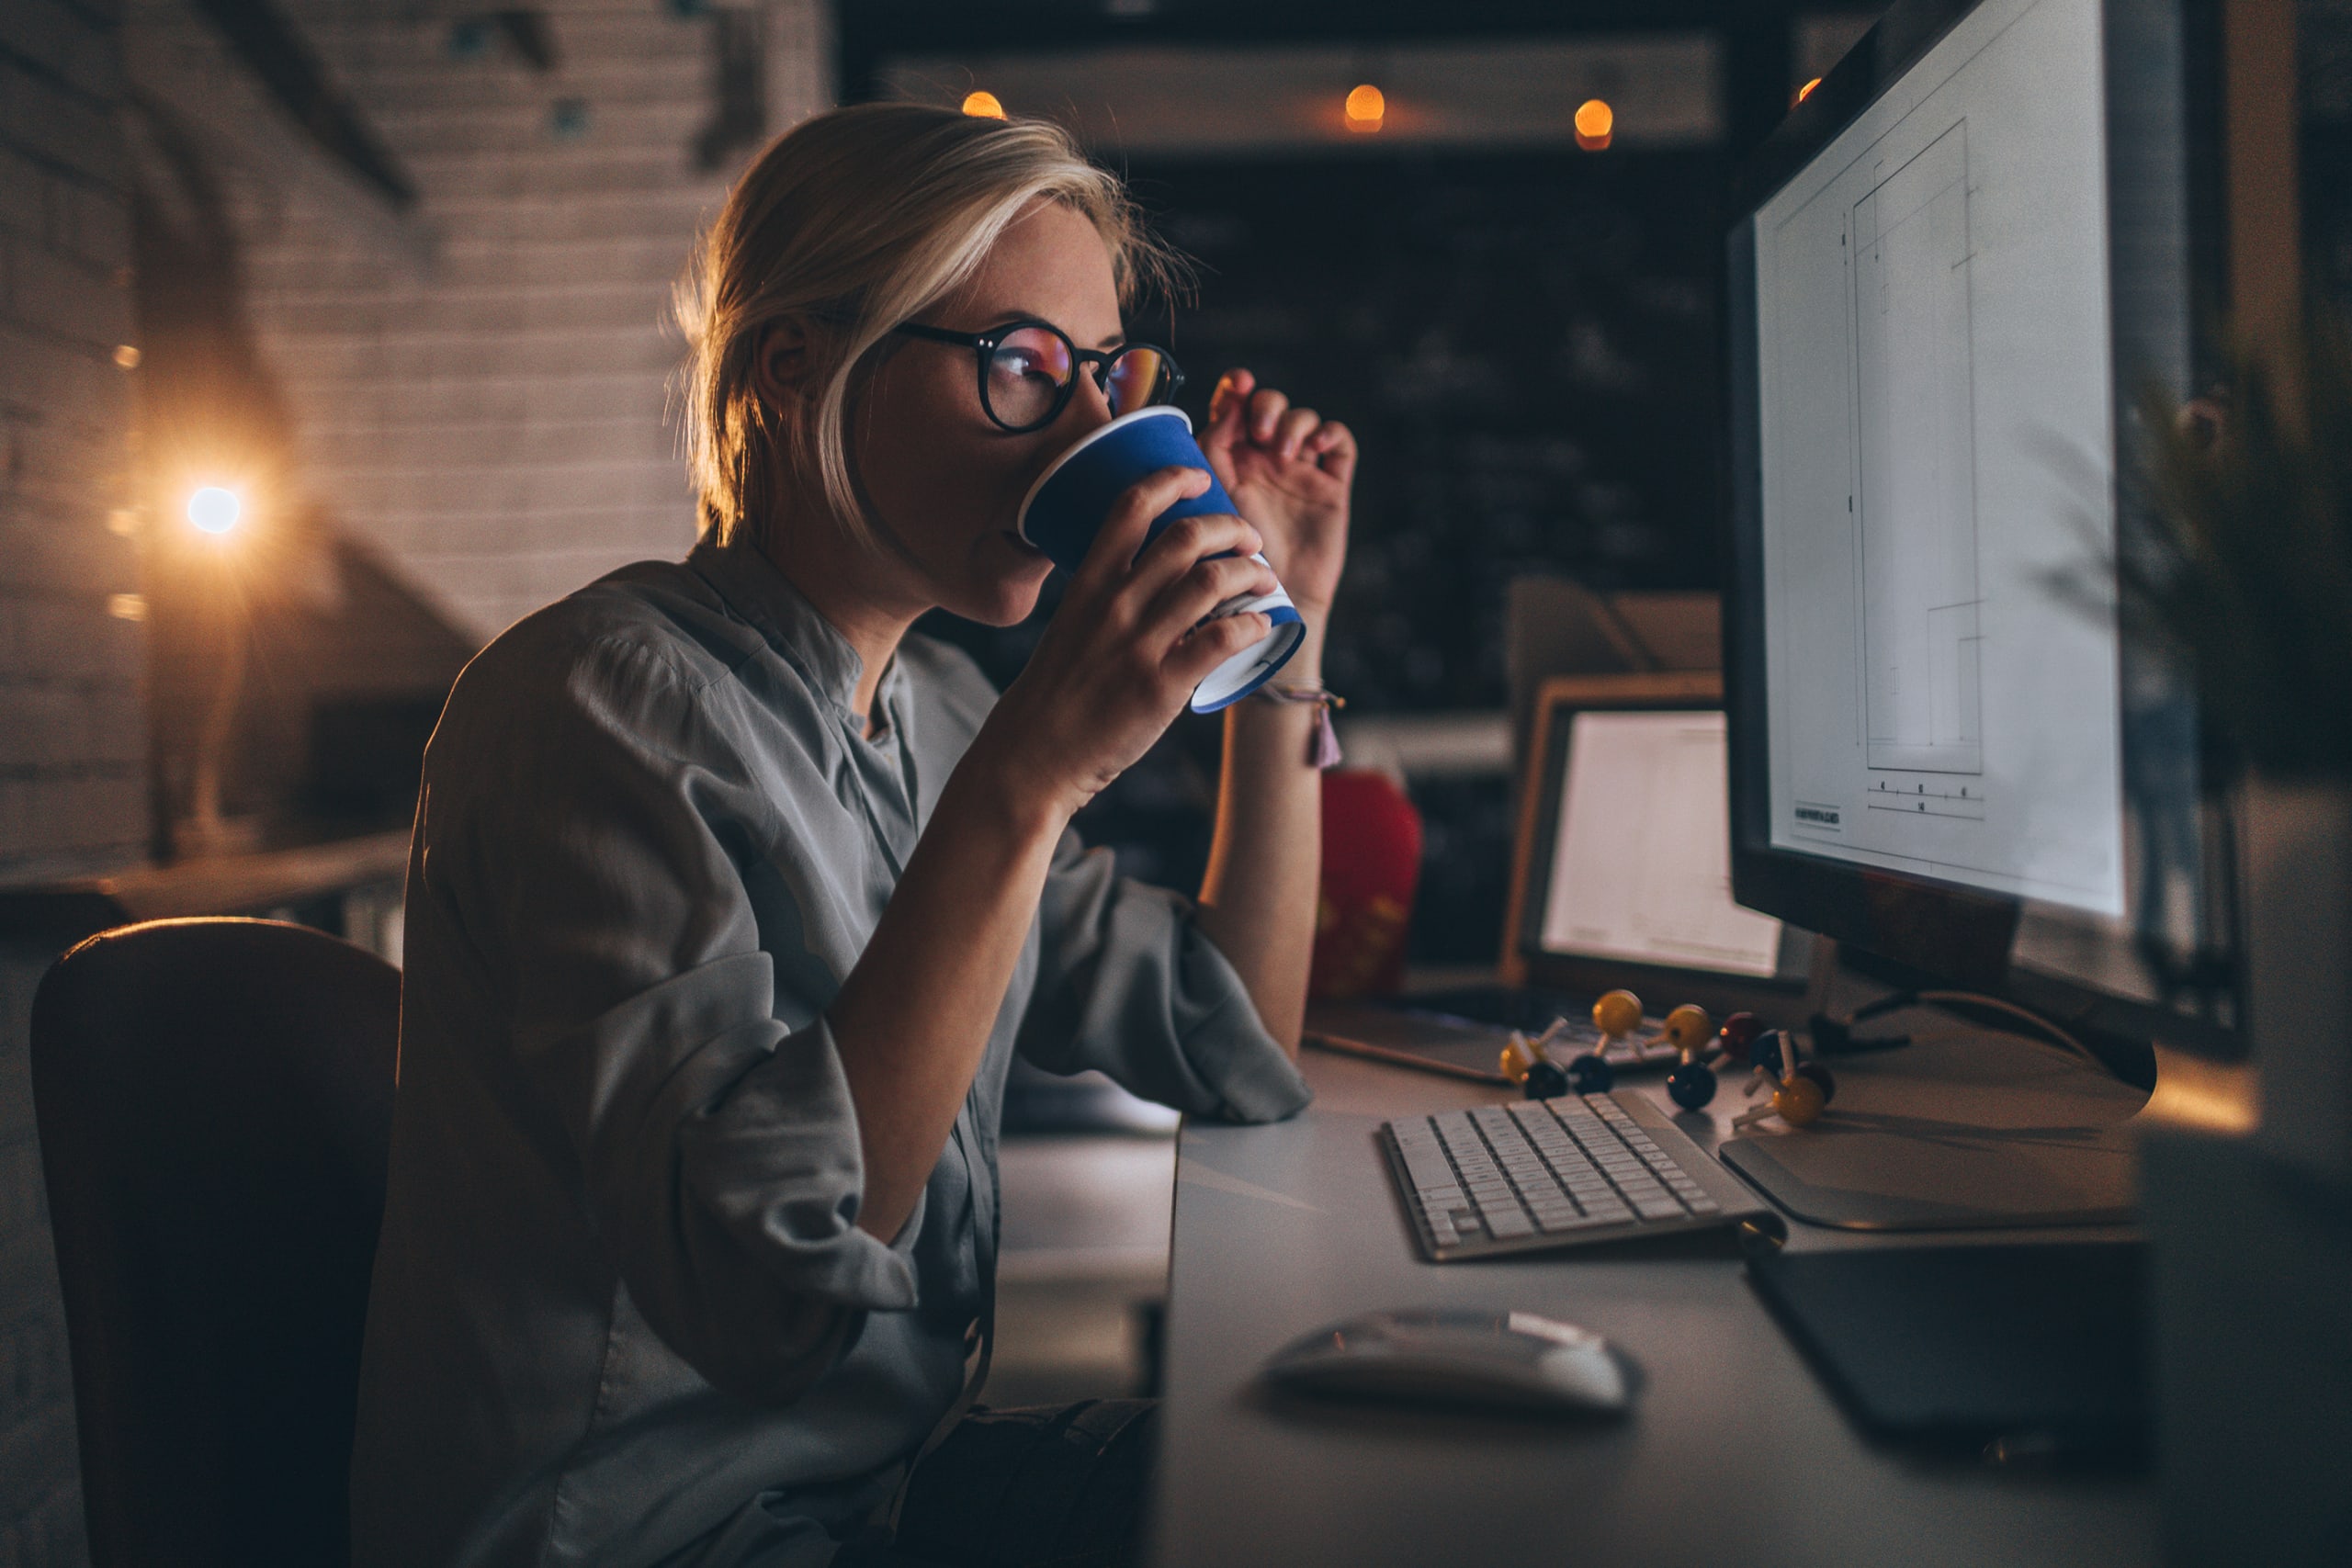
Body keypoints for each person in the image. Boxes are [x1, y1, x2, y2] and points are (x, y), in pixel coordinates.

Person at [348, 102, 1357, 1568]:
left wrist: (1283, 642)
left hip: (880, 1492)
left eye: (1105, 373)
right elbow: (764, 1294)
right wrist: (1033, 780)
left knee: (1351, 1477)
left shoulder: (938, 707)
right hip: (653, 1540)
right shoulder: (594, 705)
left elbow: (1232, 1037)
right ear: (795, 370)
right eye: (1022, 367)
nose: (1090, 430)